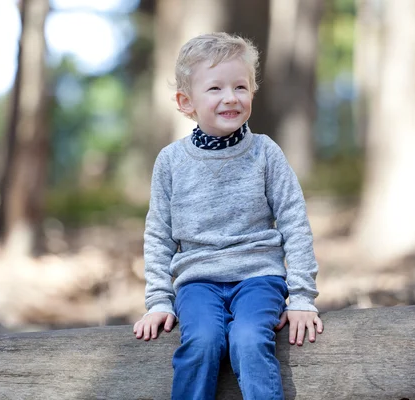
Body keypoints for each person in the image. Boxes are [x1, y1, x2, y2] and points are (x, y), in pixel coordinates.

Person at [133, 32, 323, 400]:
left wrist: (301, 297)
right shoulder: (171, 162)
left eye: (240, 86)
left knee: (249, 339)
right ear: (185, 102)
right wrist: (158, 300)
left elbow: (295, 224)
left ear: (252, 91)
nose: (230, 97)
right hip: (197, 281)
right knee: (202, 342)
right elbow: (158, 235)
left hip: (258, 277)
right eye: (215, 89)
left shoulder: (266, 154)